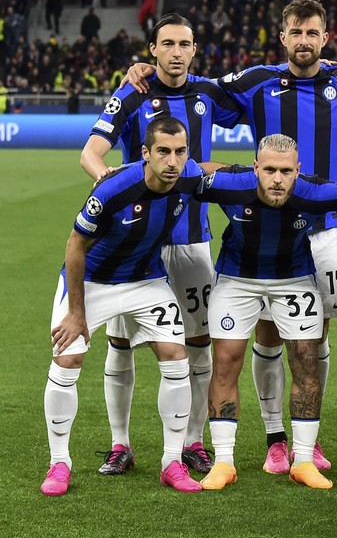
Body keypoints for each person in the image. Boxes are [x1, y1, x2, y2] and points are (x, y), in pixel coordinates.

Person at [125, 0, 337, 474]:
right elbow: (191, 83)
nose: (304, 41)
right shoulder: (256, 81)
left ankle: (305, 443)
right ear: (283, 37)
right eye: (295, 32)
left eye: (312, 33)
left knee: (315, 337)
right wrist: (147, 70)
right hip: (265, 224)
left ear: (325, 36)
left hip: (326, 231)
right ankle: (276, 438)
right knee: (268, 331)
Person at [80, 13, 242, 477]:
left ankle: (193, 441)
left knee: (198, 344)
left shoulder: (210, 93)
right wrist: (110, 187)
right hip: (136, 243)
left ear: (195, 49)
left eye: (184, 43)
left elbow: (266, 95)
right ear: (152, 50)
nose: (176, 51)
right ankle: (120, 444)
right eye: (167, 43)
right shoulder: (133, 92)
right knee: (120, 343)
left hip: (192, 240)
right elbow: (92, 152)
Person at [41, 117, 215, 496]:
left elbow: (215, 173)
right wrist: (76, 312)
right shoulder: (112, 189)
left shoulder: (187, 177)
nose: (173, 161)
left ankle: (172, 462)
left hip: (146, 279)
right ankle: (59, 463)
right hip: (92, 282)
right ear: (145, 153)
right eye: (164, 152)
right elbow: (75, 245)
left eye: (181, 152)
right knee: (67, 358)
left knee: (175, 355)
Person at [196, 134, 337, 491]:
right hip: (236, 279)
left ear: (298, 171)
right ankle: (223, 462)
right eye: (269, 170)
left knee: (306, 363)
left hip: (295, 280)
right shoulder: (231, 185)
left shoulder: (316, 191)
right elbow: (189, 175)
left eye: (286, 171)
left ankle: (302, 461)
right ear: (255, 168)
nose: (277, 179)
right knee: (225, 362)